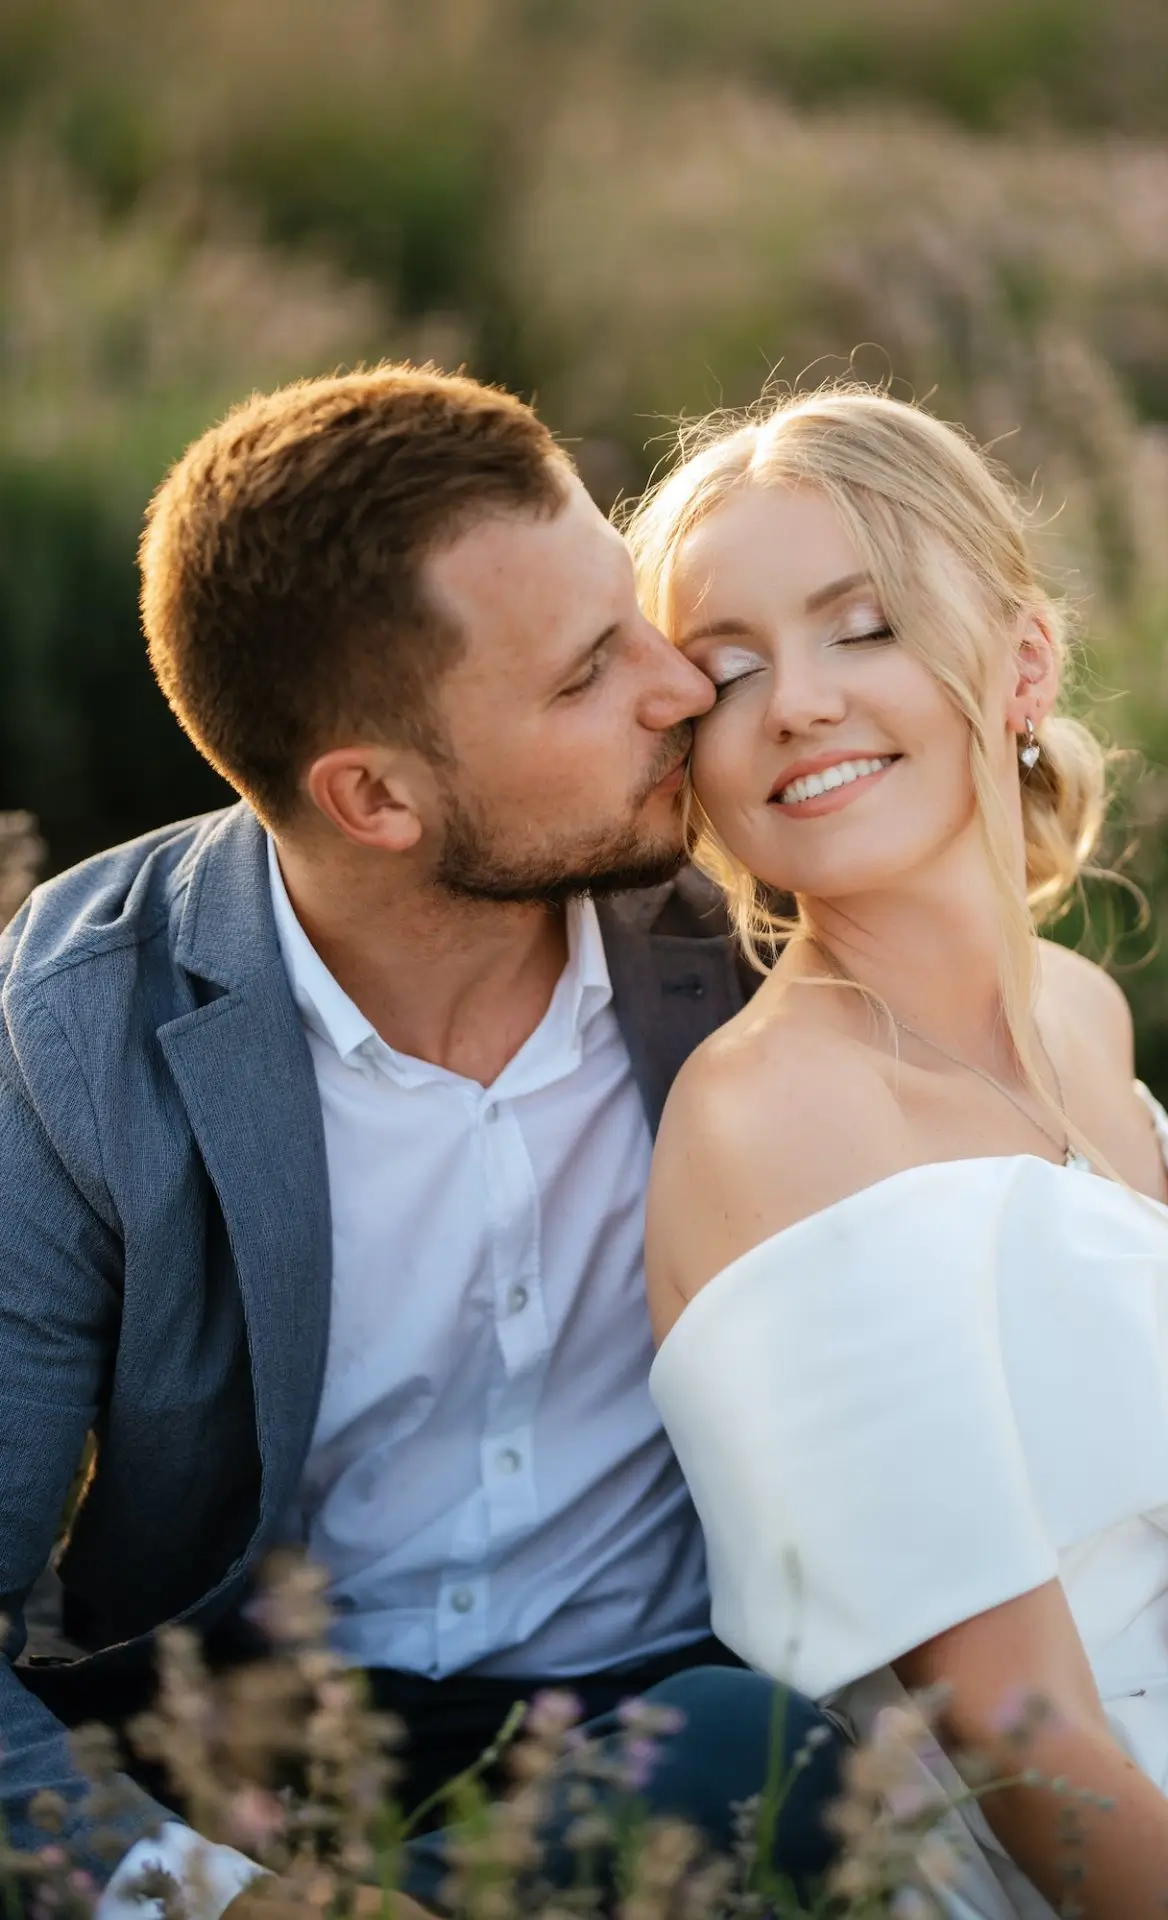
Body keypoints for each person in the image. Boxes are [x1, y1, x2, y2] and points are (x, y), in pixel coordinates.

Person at [0, 367, 847, 1920]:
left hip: (655, 1721)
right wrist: (227, 1901)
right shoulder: (82, 1025)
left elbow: (1090, 1172)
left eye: (633, 611)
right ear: (373, 795)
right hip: (244, 1749)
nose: (684, 688)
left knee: (765, 1751)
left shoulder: (756, 914)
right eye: (590, 672)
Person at [633, 387, 1168, 1918]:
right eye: (724, 672)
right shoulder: (777, 1115)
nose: (793, 702)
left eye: (861, 627)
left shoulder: (1083, 1014)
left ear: (1022, 663)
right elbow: (1010, 1733)